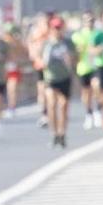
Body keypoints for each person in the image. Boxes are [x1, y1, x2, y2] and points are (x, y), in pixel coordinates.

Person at [35, 16, 77, 149]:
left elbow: (75, 59)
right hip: (50, 78)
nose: (57, 30)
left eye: (59, 27)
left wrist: (69, 59)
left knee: (63, 105)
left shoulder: (68, 43)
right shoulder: (46, 43)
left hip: (64, 77)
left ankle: (62, 133)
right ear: (51, 29)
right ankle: (54, 134)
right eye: (55, 28)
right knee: (52, 104)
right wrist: (43, 63)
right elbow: (38, 59)